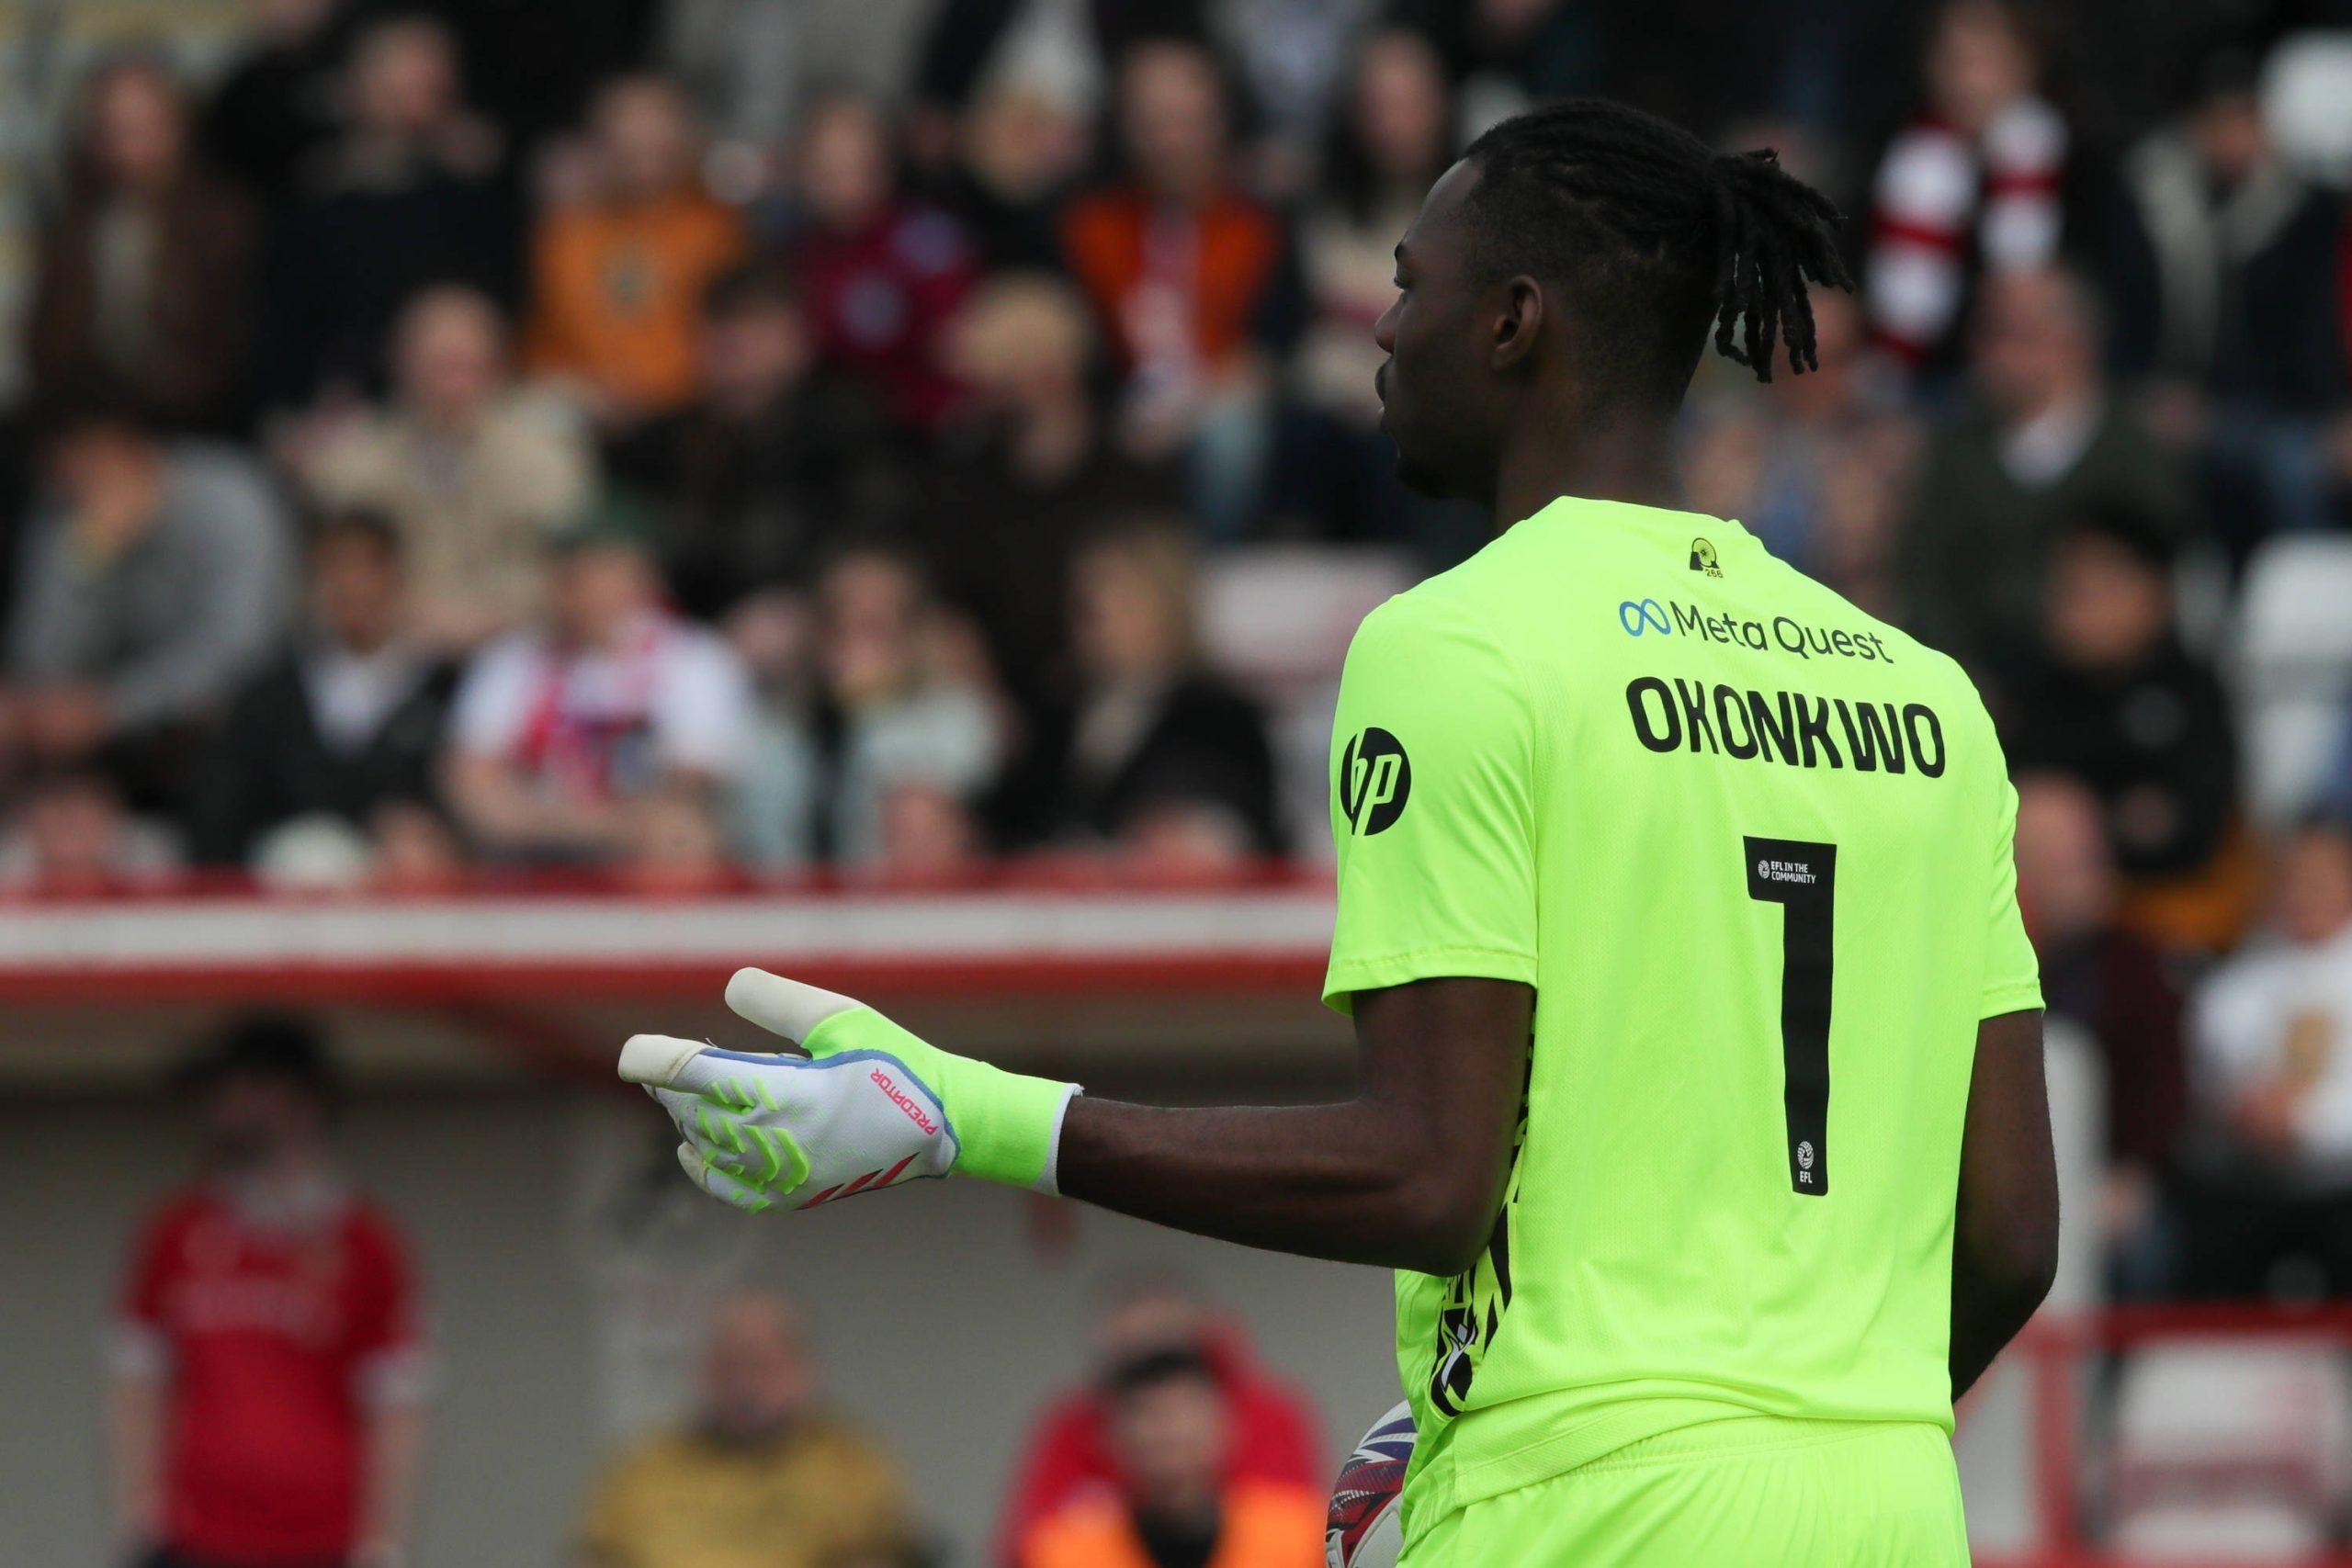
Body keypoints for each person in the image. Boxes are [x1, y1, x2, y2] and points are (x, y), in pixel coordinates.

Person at [619, 96, 2057, 1567]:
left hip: (1588, 1508)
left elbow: (1427, 1175)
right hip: (1885, 1503)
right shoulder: (1925, 695)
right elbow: (2010, 1235)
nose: (1382, 330)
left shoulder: (1462, 645)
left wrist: (966, 1115)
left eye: (1408, 283)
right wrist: (1768, 1438)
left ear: (1512, 319)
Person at [110, 1015, 430, 1568]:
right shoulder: (178, 1233)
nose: (220, 1108)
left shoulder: (365, 1246)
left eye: (238, 1088)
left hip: (319, 1543)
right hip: (196, 1541)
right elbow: (136, 1379)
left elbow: (397, 1401)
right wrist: (138, 1518)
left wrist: (383, 1544)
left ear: (297, 1098)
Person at [1059, 37, 1306, 537]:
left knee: (1232, 433)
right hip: (1113, 418)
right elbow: (1078, 345)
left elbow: (1275, 347)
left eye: (1188, 121)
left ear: (1220, 122)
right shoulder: (1087, 226)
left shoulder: (1262, 226)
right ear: (1124, 127)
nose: (1171, 141)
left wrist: (1188, 407)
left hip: (1221, 419)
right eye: (1153, 123)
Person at [1896, 266, 2187, 684]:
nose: (1992, 353)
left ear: (2077, 344)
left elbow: (2157, 586)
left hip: (2109, 696)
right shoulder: (1955, 453)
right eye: (1985, 332)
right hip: (1976, 690)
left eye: (2016, 334)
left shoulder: (2135, 456)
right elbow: (1926, 577)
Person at [5, 397, 293, 799]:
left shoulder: (229, 494)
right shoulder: (66, 517)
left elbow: (243, 649)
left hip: (221, 722)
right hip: (106, 736)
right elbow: (42, 666)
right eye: (68, 471)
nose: (83, 481)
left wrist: (113, 709)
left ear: (135, 449)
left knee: (220, 726)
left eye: (95, 461)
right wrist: (88, 554)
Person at [919, 276, 1181, 714]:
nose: (991, 393)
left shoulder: (1134, 482)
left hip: (1112, 690)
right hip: (999, 704)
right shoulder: (963, 482)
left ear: (1056, 371)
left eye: (1009, 373)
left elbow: (1161, 604)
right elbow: (948, 607)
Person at [443, 498, 754, 865]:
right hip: (537, 847)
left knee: (681, 836)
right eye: (571, 574)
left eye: (604, 570)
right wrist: (589, 826)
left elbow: (688, 786)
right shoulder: (512, 661)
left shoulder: (692, 659)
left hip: (636, 851)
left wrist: (600, 826)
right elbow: (474, 786)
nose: (584, 590)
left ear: (643, 578)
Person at [297, 286, 596, 652]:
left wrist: (482, 620)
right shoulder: (354, 465)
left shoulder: (544, 458)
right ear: (402, 369)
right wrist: (401, 612)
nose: (452, 388)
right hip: (390, 650)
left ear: (498, 370)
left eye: (467, 368)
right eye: (437, 368)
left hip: (516, 647)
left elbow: (572, 575)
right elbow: (332, 581)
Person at [2005, 504, 2250, 952]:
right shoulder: (2041, 693)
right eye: (2069, 588)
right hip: (2044, 927)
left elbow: (2193, 829)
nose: (2077, 604)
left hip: (2174, 929)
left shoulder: (2192, 691)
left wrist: (2084, 834)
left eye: (2101, 586)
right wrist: (2117, 818)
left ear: (2154, 593)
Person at [604, 263, 901, 625]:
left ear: (797, 341)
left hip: (807, 623)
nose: (738, 358)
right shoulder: (662, 439)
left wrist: (799, 607)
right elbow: (632, 537)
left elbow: (870, 543)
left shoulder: (844, 428)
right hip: (681, 634)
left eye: (755, 336)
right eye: (721, 340)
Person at [254, 14, 519, 416]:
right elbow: (284, 337)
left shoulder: (473, 199)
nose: (412, 94)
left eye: (426, 81)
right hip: (353, 418)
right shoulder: (313, 206)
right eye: (398, 80)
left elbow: (502, 315)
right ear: (353, 86)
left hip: (467, 409)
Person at [990, 520, 1284, 867]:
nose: (1100, 620)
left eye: (1124, 599)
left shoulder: (1224, 720)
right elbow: (1013, 827)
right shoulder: (1051, 716)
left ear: (1168, 605)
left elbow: (1252, 829)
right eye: (1087, 603)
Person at [194, 511, 459, 873]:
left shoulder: (446, 690)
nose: (352, 584)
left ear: (397, 578)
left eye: (369, 567)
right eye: (336, 568)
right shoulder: (268, 698)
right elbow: (225, 811)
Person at [575, 1288, 914, 1568]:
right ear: (703, 1370)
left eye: (763, 1365)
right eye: (731, 1364)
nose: (746, 1385)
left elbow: (878, 1555)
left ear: (804, 1370)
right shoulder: (645, 1466)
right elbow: (597, 1557)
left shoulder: (850, 1465)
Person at [998, 1275, 1322, 1568]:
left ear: (1227, 1421)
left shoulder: (1298, 1531)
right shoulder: (1063, 1548)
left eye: (1180, 1409)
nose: (1165, 1430)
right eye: (1145, 1412)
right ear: (1108, 1433)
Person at [2012, 773, 2187, 1296]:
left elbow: (2163, 1093)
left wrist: (2130, 1175)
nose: (2085, 873)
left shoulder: (2133, 967)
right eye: (2061, 860)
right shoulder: (1979, 959)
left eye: (2087, 855)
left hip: (2107, 1180)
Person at [28, 52, 255, 434]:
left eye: (145, 128)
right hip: (88, 427)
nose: (130, 149)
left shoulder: (225, 222)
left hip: (195, 427)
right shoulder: (73, 228)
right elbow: (50, 349)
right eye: (115, 130)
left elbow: (227, 354)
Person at [2176, 818, 2352, 1299]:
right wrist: (2245, 1111)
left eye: (2324, 875)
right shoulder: (2235, 986)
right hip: (2249, 1190)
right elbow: (2210, 1082)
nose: (2307, 890)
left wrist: (2305, 1123)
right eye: (2296, 874)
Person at [524, 75, 748, 428]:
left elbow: (736, 337)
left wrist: (663, 392)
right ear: (601, 147)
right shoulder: (566, 236)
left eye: (655, 138)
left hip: (696, 413)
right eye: (627, 140)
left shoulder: (720, 230)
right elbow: (546, 346)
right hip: (584, 415)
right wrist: (593, 391)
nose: (642, 149)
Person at [779, 93, 978, 432]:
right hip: (823, 430)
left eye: (860, 167)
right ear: (802, 173)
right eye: (827, 171)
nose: (844, 186)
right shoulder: (793, 255)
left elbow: (959, 349)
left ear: (886, 167)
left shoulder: (927, 242)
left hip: (923, 431)